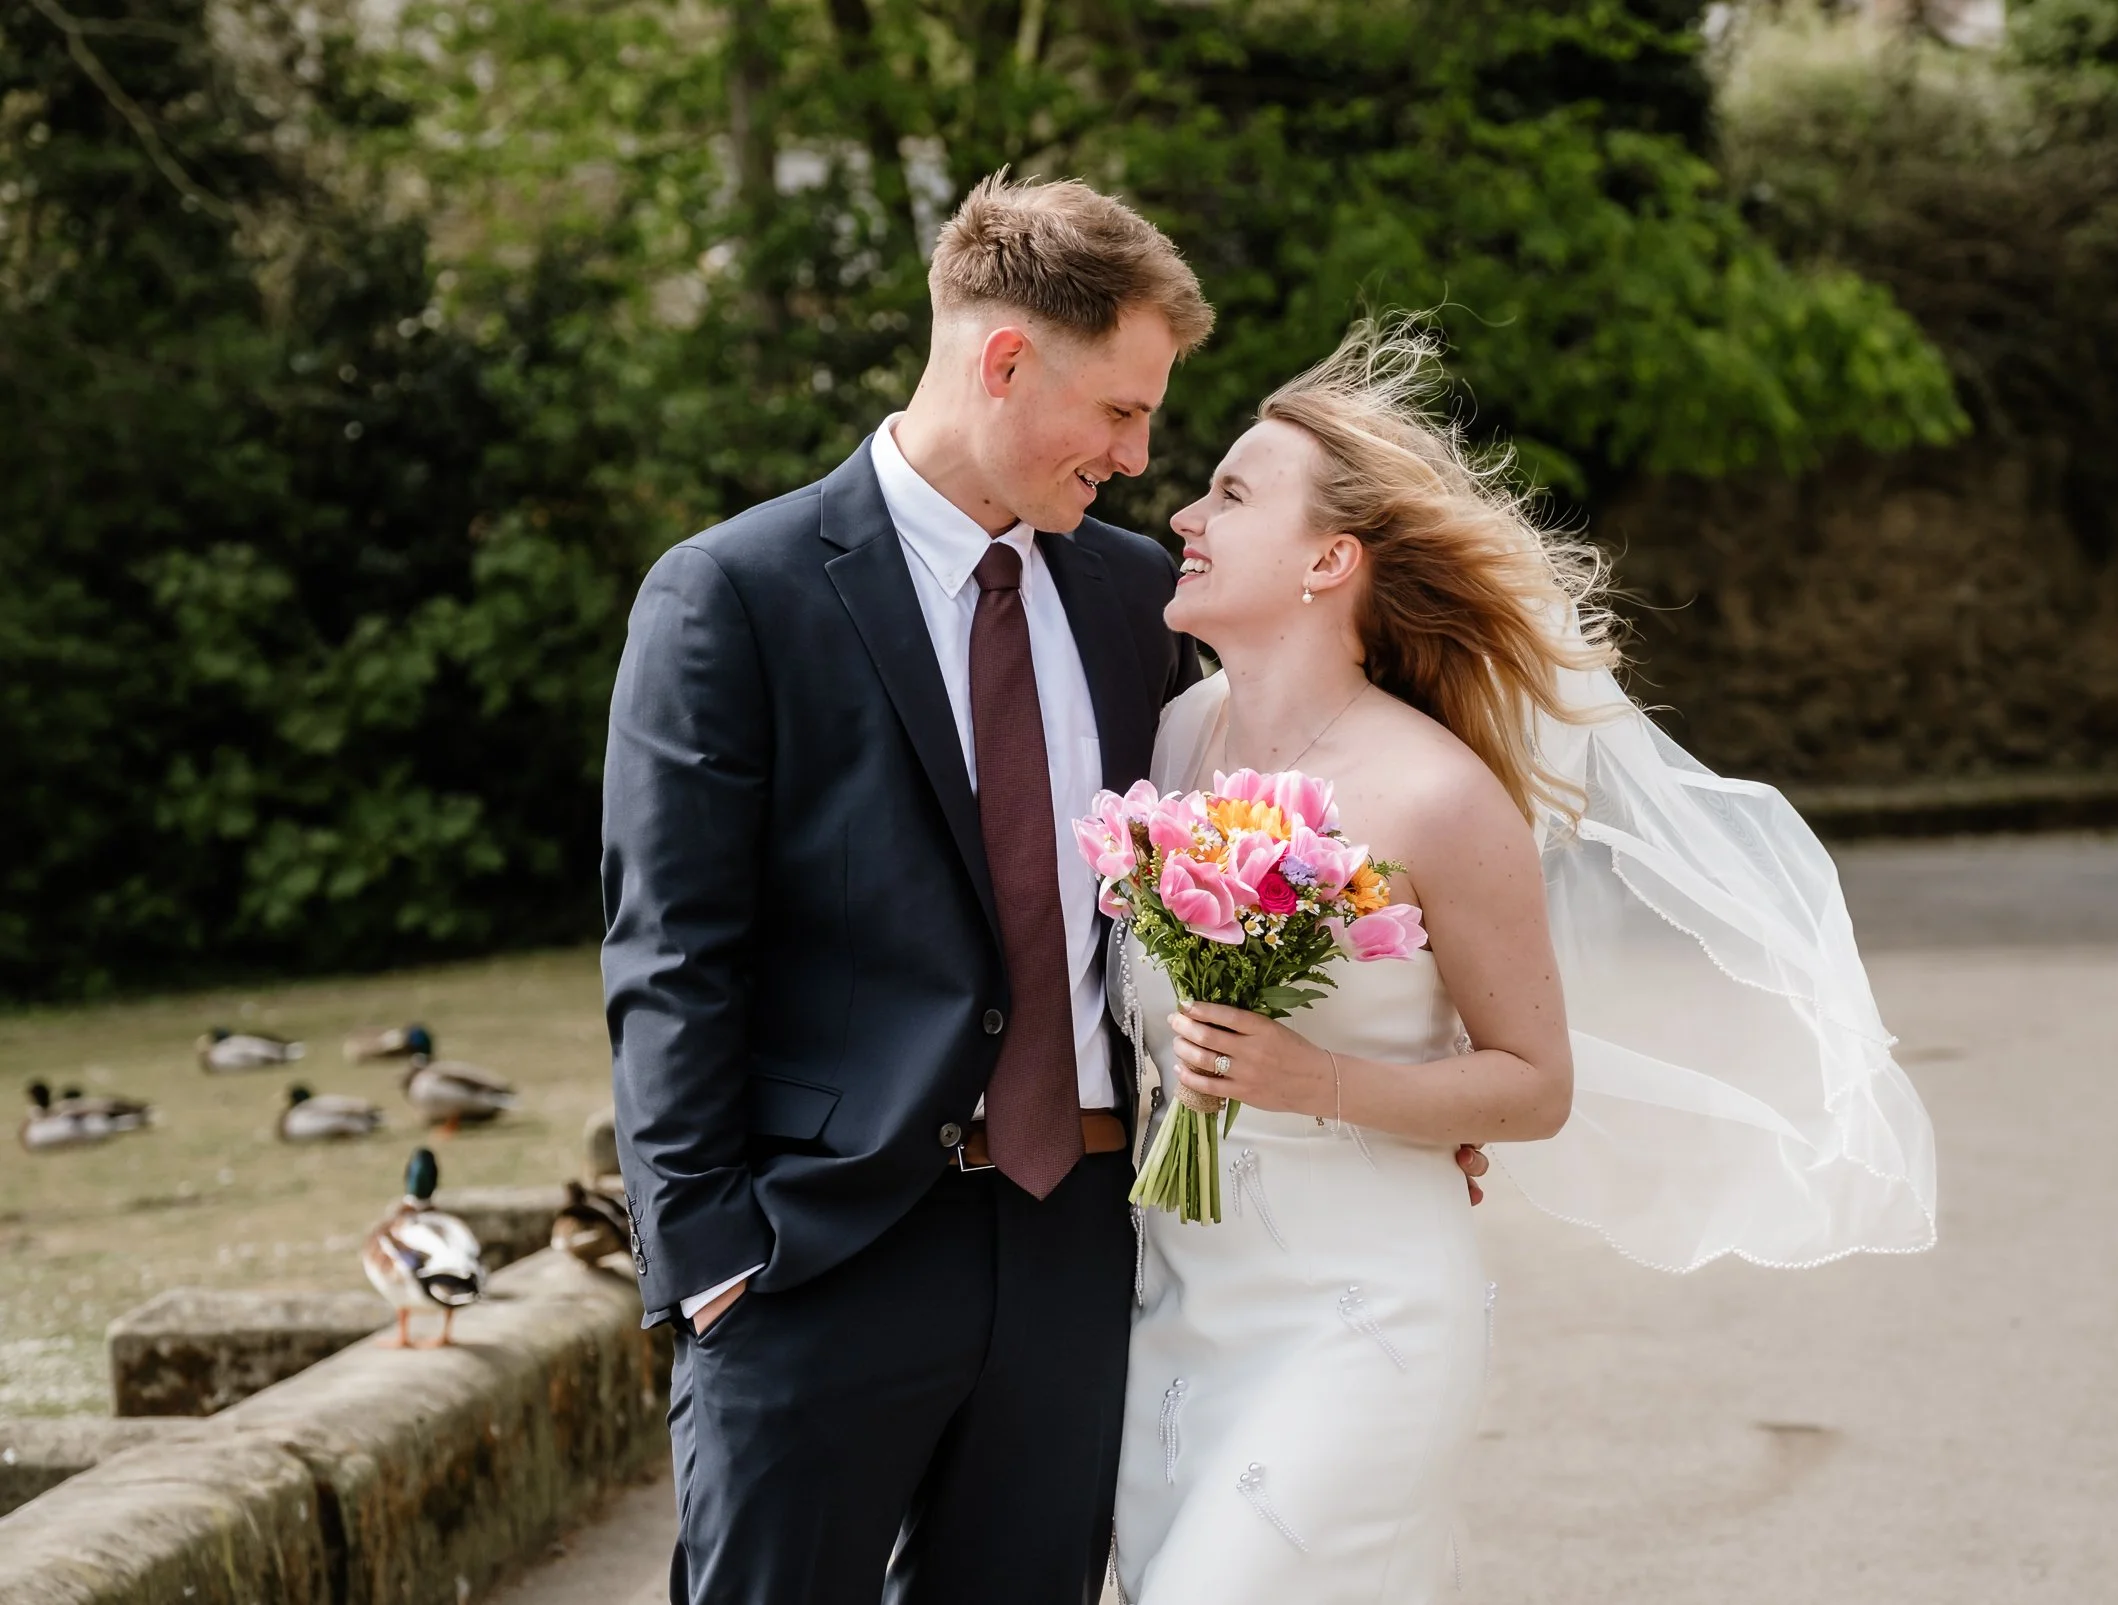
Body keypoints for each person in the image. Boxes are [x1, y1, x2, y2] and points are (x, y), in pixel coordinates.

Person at [1110, 323, 1938, 1602]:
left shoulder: (1438, 797)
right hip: (1177, 1292)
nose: (1183, 511)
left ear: (1331, 560)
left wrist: (1317, 1081)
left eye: (1230, 492)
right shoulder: (1174, 736)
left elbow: (1531, 1083)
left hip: (1359, 1306)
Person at [600, 173, 1211, 1604]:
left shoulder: (1132, 601)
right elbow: (674, 951)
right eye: (1121, 411)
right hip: (814, 1261)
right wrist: (710, 1266)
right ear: (1006, 362)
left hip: (1076, 1246)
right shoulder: (733, 593)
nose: (1136, 456)